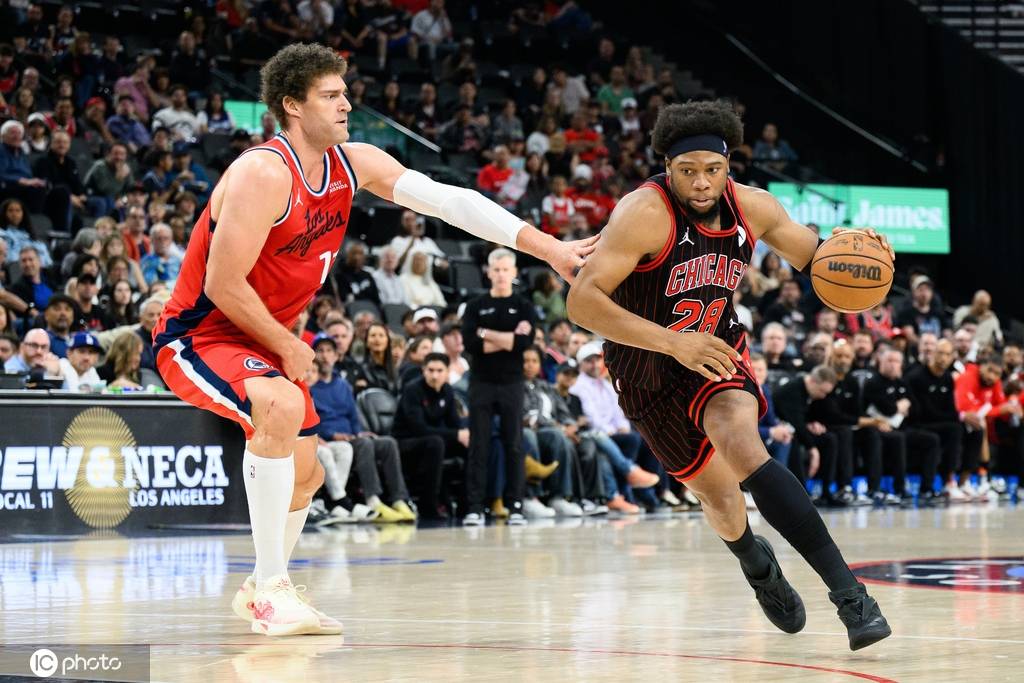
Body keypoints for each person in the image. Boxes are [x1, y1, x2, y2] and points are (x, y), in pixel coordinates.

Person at [152, 43, 593, 637]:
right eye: (331, 95)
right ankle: (271, 592)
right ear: (292, 105)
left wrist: (549, 248)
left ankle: (261, 587)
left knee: (307, 477)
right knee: (278, 406)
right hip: (200, 335)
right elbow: (222, 284)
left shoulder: (353, 163)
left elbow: (451, 202)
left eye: (345, 93)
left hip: (263, 340)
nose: (347, 104)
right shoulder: (264, 172)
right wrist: (288, 343)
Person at [566, 101, 892, 649]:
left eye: (712, 170)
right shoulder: (643, 212)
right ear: (667, 167)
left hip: (717, 350)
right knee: (720, 501)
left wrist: (859, 258)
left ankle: (852, 599)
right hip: (646, 368)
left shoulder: (754, 207)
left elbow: (818, 260)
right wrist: (674, 342)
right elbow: (581, 302)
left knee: (742, 444)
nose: (701, 182)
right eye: (687, 170)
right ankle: (756, 562)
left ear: (728, 167)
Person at [460, 248, 537, 526]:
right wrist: (506, 339)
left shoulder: (524, 306)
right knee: (479, 445)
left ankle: (515, 505)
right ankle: (475, 507)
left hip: (512, 382)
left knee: (514, 444)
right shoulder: (475, 306)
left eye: (506, 269)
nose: (501, 274)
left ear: (514, 272)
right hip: (481, 382)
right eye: (497, 269)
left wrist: (486, 334)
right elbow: (471, 344)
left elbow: (523, 344)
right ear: (488, 272)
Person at [392, 352, 462, 520]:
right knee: (436, 443)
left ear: (447, 372)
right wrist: (456, 434)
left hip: (432, 440)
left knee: (470, 442)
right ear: (423, 370)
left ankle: (469, 505)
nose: (434, 375)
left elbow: (455, 424)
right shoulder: (413, 390)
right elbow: (419, 428)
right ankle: (428, 505)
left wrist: (463, 435)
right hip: (404, 442)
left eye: (439, 371)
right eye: (430, 370)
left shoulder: (448, 391)